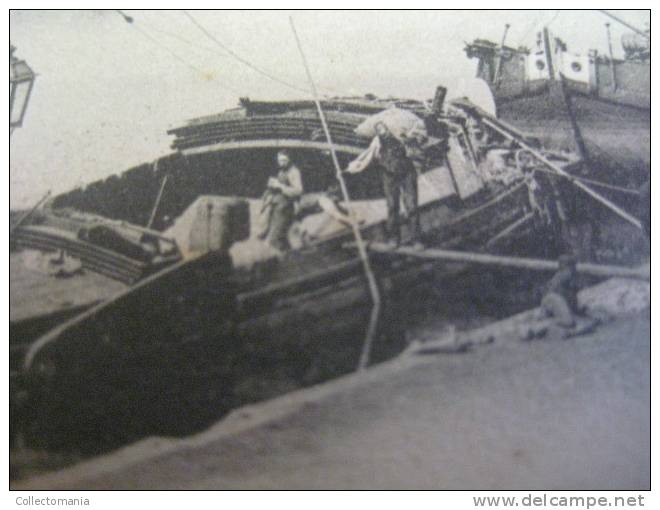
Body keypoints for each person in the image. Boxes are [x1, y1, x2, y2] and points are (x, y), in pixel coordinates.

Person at [345, 121, 421, 246]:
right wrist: (352, 168)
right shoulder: (377, 142)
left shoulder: (399, 133)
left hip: (407, 172)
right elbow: (367, 156)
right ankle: (394, 238)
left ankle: (416, 239)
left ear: (388, 127)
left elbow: (414, 147)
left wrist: (409, 141)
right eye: (379, 129)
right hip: (389, 174)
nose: (382, 131)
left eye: (384, 128)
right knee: (392, 207)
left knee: (411, 205)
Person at [257, 150, 303, 251]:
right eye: (280, 160)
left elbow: (298, 191)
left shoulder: (294, 172)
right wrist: (271, 188)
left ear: (289, 159)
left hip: (285, 207)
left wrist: (279, 185)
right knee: (277, 237)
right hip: (276, 205)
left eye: (284, 160)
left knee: (272, 239)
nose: (282, 163)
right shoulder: (282, 171)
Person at [540, 254, 581, 328]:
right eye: (569, 265)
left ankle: (558, 317)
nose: (572, 268)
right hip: (554, 300)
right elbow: (551, 291)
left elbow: (573, 291)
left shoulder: (569, 274)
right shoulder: (563, 275)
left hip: (560, 301)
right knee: (568, 321)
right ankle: (556, 320)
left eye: (572, 265)